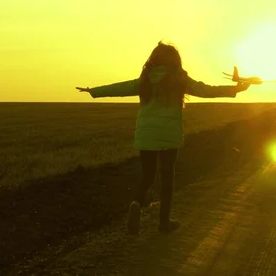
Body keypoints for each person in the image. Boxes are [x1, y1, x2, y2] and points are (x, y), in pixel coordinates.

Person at [76, 42, 250, 234]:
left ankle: (136, 202)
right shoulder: (179, 79)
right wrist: (235, 89)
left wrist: (93, 91)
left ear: (154, 59)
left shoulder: (145, 79)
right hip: (168, 135)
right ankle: (164, 223)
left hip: (146, 135)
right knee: (167, 178)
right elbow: (206, 90)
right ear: (175, 60)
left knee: (147, 175)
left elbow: (120, 87)